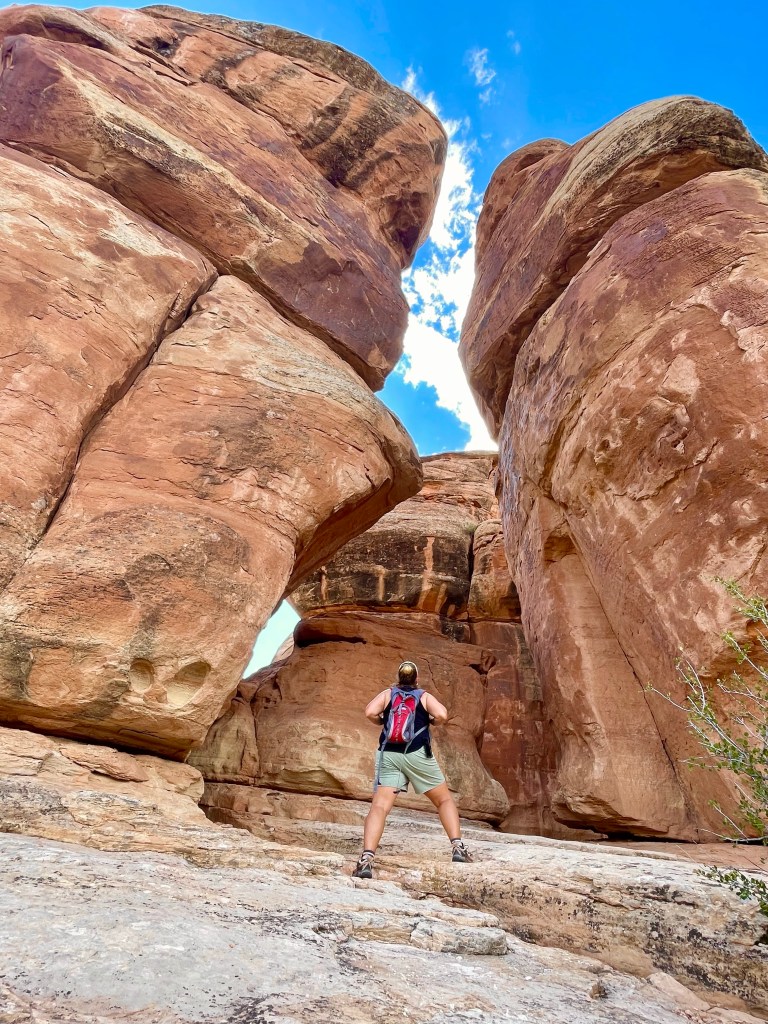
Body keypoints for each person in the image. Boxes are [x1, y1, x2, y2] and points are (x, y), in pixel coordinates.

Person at [352, 660, 473, 879]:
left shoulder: (388, 694)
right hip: (417, 754)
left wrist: (381, 722)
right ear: (417, 679)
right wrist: (432, 722)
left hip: (389, 754)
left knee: (379, 806)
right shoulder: (423, 696)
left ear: (398, 678)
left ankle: (366, 860)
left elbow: (370, 712)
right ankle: (458, 849)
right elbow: (442, 714)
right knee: (443, 800)